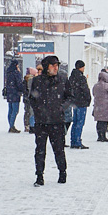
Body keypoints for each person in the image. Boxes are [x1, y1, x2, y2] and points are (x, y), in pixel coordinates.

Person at [27, 55, 74, 186]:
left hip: (57, 121)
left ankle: (62, 172)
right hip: (41, 122)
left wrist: (61, 108)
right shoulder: (38, 81)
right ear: (46, 66)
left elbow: (70, 97)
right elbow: (32, 98)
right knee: (40, 150)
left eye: (57, 65)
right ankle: (39, 175)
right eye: (53, 65)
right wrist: (38, 110)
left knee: (59, 149)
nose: (55, 68)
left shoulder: (63, 80)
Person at [68, 60, 92, 149]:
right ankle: (77, 141)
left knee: (75, 122)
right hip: (82, 102)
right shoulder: (81, 78)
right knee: (80, 122)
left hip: (74, 102)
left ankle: (73, 140)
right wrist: (88, 99)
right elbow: (85, 90)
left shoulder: (71, 77)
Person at [91, 70, 108, 142]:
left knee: (99, 121)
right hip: (106, 106)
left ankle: (99, 135)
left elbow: (93, 93)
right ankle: (103, 136)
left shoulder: (96, 85)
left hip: (97, 106)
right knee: (105, 121)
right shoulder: (107, 86)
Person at [3, 57, 24, 133]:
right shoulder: (16, 73)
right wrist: (23, 89)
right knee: (15, 110)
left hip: (9, 93)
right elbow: (19, 84)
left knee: (10, 110)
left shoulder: (8, 72)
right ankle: (12, 126)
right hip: (15, 94)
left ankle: (10, 125)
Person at [23, 67, 37, 132]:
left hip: (27, 98)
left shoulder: (26, 79)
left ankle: (27, 125)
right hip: (29, 98)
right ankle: (31, 126)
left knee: (27, 112)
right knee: (30, 112)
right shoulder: (31, 79)